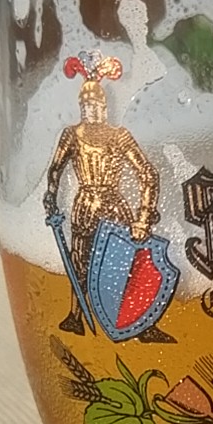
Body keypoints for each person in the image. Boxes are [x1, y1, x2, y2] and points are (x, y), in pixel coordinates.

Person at [43, 54, 164, 340]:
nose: (92, 109)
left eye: (97, 104)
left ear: (105, 106)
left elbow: (148, 172)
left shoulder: (119, 135)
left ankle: (139, 322)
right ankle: (76, 316)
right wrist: (50, 197)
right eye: (87, 105)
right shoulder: (72, 134)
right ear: (81, 106)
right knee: (80, 261)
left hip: (115, 205)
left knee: (128, 263)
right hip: (85, 205)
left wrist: (144, 217)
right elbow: (55, 169)